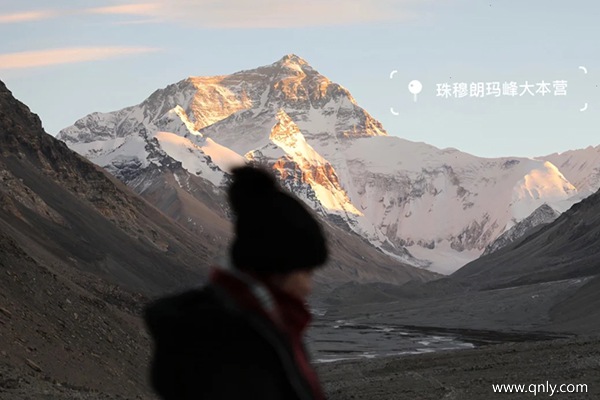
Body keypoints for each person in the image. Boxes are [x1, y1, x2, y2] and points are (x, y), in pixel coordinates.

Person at [144, 165, 329, 400]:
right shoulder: (229, 340)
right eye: (305, 273)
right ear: (276, 268)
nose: (308, 287)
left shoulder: (269, 321)